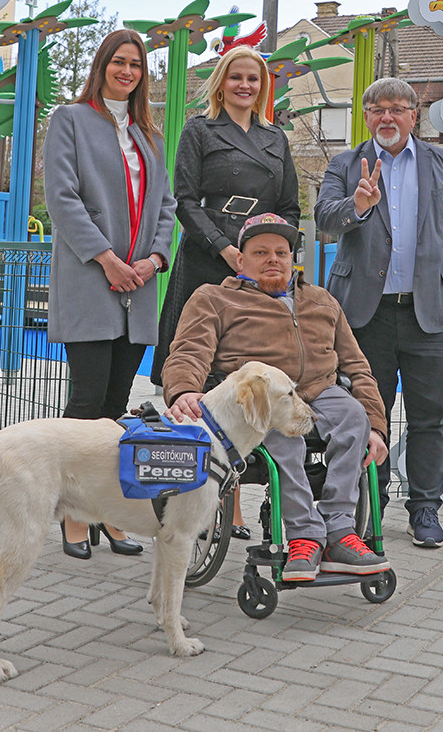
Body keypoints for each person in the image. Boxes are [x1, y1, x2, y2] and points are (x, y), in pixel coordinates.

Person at [162, 212, 390, 582]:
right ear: (240, 260)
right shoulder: (214, 299)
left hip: (320, 391)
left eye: (281, 253)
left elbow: (357, 366)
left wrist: (376, 427)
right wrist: (185, 389)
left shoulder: (322, 300)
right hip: (263, 397)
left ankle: (339, 531)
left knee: (354, 418)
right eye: (261, 252)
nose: (273, 259)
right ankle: (305, 535)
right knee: (275, 426)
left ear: (291, 259)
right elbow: (188, 352)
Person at [315, 78, 443, 549]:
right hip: (363, 317)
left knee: (430, 416)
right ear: (366, 116)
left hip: (432, 314)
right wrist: (357, 206)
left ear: (414, 115)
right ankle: (372, 507)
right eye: (377, 109)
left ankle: (425, 508)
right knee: (369, 416)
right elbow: (324, 220)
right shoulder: (344, 164)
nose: (386, 117)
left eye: (396, 108)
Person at [151, 44, 299, 539]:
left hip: (258, 263)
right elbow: (184, 200)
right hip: (206, 259)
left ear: (263, 86)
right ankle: (202, 502)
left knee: (245, 375)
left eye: (253, 79)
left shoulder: (276, 138)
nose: (245, 86)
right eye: (236, 77)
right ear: (221, 82)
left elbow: (291, 208)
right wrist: (224, 248)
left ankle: (233, 507)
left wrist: (270, 253)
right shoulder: (199, 130)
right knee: (206, 377)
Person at [43, 28, 176, 559]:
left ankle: (110, 512)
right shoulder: (70, 120)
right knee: (86, 401)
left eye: (136, 65)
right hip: (91, 280)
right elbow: (62, 197)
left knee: (117, 408)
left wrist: (153, 260)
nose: (127, 71)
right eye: (119, 61)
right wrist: (107, 259)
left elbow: (165, 208)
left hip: (138, 287)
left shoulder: (150, 137)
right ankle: (73, 514)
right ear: (102, 66)